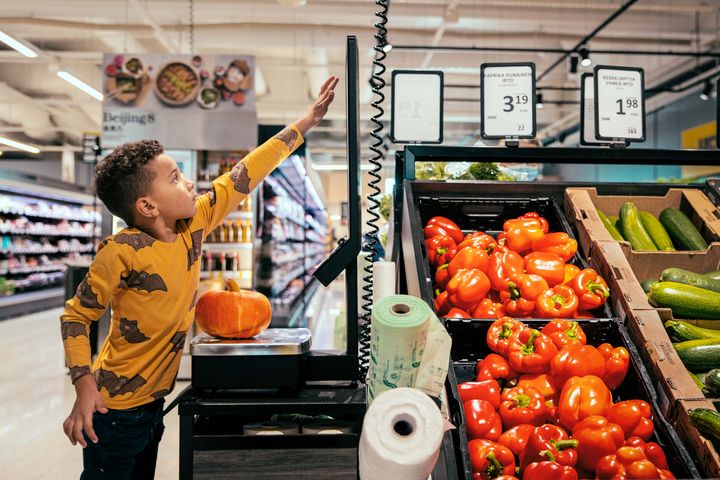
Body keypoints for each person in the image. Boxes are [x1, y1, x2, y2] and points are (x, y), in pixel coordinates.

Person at [61, 76, 339, 479]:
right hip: (113, 409)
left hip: (152, 403)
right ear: (147, 205)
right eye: (174, 178)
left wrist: (306, 121)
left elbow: (246, 172)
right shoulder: (119, 251)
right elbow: (75, 316)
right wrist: (84, 385)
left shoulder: (195, 224)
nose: (188, 181)